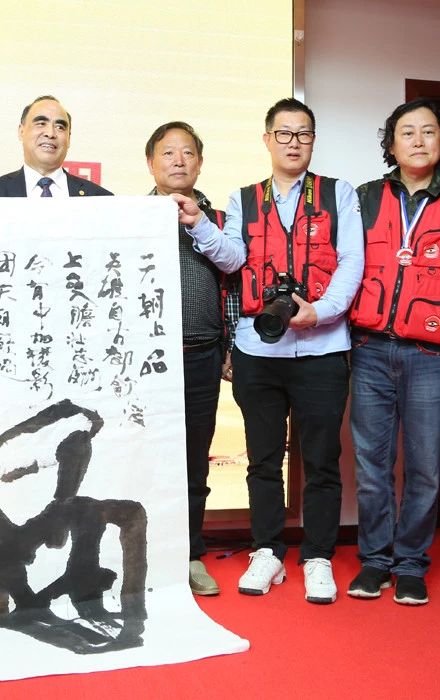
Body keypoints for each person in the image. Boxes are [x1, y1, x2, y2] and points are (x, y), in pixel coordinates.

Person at [180, 98, 364, 604]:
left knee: (322, 460)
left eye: (303, 134)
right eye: (283, 133)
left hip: (323, 348)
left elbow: (352, 261)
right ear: (267, 140)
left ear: (313, 141)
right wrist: (198, 223)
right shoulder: (243, 199)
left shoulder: (338, 194)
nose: (293, 143)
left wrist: (320, 311)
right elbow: (232, 258)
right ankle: (267, 551)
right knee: (263, 460)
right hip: (258, 351)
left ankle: (319, 556)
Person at [346, 99, 440, 606]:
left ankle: (410, 563)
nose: (419, 141)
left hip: (431, 355)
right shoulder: (364, 197)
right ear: (391, 144)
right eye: (407, 132)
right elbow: (344, 266)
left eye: (428, 131)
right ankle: (375, 560)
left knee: (424, 467)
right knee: (372, 466)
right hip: (368, 349)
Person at [144, 121, 240, 596]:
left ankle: (190, 554)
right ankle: (143, 557)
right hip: (144, 364)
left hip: (202, 356)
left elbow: (235, 278)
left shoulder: (217, 219)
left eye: (187, 153)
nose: (178, 160)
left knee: (194, 463)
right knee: (143, 461)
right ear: (151, 163)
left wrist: (231, 346)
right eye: (168, 152)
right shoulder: (130, 217)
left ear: (200, 163)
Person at [0, 95, 111, 198]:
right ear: (21, 131)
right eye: (41, 123)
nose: (50, 133)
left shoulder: (100, 198)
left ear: (69, 138)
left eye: (60, 127)